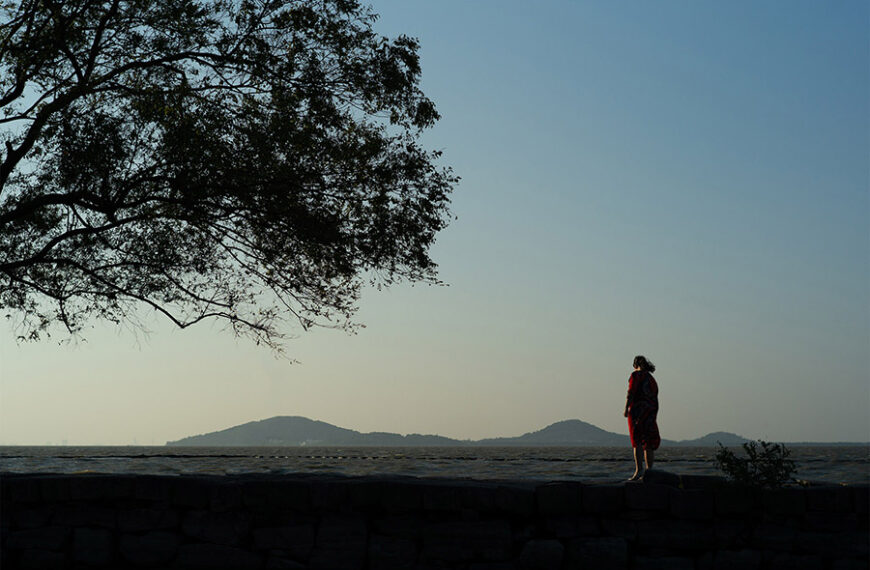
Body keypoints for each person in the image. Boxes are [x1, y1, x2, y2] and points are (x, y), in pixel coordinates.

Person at [624, 355, 660, 481]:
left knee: (637, 441)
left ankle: (639, 470)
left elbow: (631, 393)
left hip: (637, 413)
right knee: (648, 442)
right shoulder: (651, 379)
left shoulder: (636, 376)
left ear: (635, 365)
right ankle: (650, 471)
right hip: (650, 412)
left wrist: (626, 408)